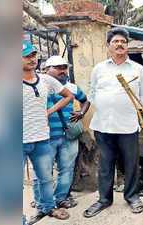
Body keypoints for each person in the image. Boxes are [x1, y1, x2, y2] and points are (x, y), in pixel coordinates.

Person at [83, 27, 143, 217]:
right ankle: (104, 199)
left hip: (128, 125)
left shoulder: (139, 70)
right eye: (116, 41)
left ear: (127, 46)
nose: (120, 44)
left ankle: (132, 196)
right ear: (109, 46)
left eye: (123, 41)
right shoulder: (99, 68)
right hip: (103, 125)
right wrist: (105, 104)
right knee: (105, 165)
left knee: (130, 164)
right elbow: (93, 92)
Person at [22, 41, 73, 224]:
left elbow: (68, 96)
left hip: (43, 138)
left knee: (45, 178)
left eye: (33, 55)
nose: (32, 59)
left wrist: (49, 112)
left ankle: (47, 206)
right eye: (27, 56)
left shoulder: (45, 79)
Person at [31, 55, 90, 210]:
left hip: (68, 137)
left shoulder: (73, 88)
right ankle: (41, 201)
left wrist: (81, 113)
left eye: (64, 67)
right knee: (42, 172)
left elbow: (85, 100)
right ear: (46, 69)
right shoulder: (37, 86)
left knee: (66, 170)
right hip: (44, 137)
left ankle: (60, 198)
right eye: (57, 67)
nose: (62, 70)